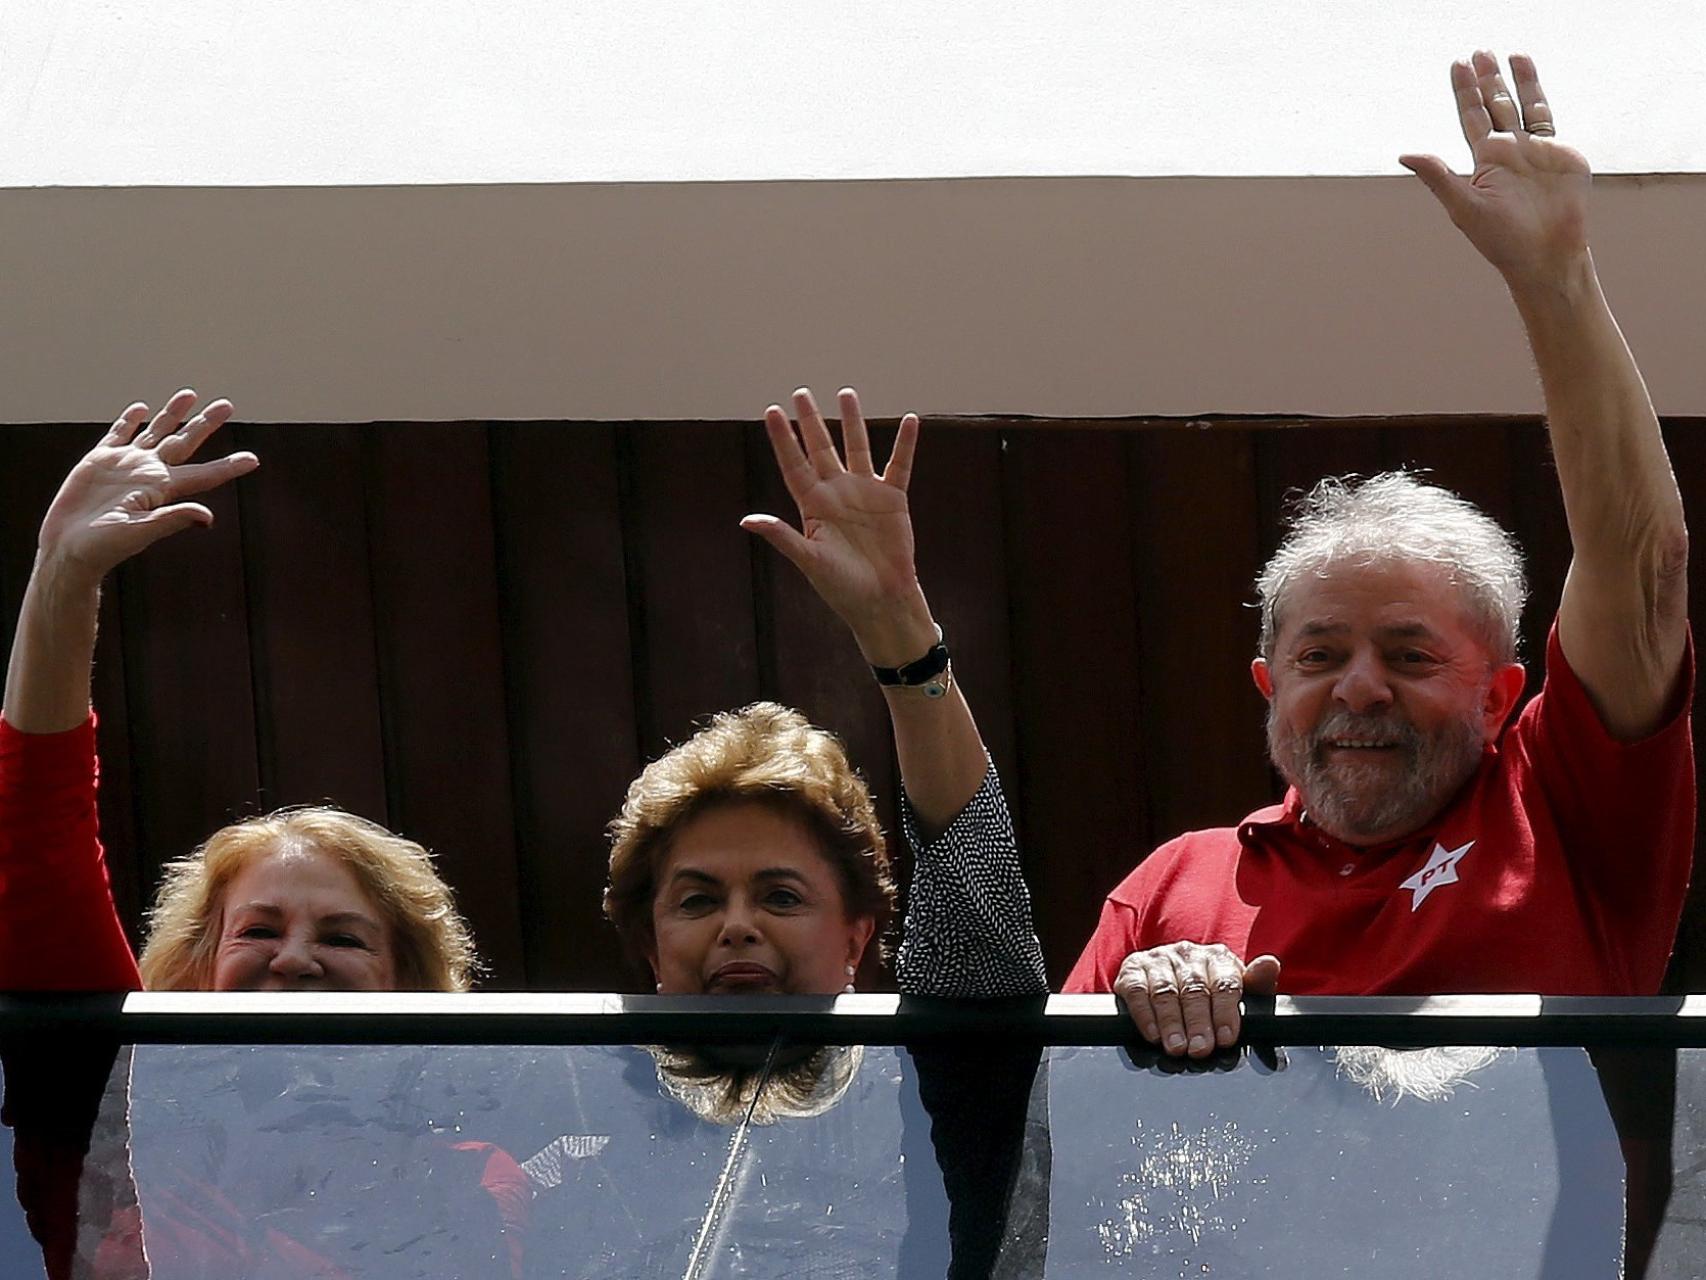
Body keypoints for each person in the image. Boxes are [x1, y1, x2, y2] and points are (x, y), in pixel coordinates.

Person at [1062, 53, 1693, 1058]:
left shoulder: (1560, 809)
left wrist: (1553, 278)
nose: (1358, 688)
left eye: (1406, 653)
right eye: (1319, 655)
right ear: (1269, 686)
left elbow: (1640, 564)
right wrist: (1137, 1007)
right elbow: (1048, 1163)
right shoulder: (1172, 886)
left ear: (1498, 695)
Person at [0, 391, 521, 1278]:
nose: (295, 958)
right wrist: (62, 576)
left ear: (407, 985)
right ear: (198, 967)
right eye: (260, 930)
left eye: (345, 936)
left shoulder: (471, 1180)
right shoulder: (118, 1121)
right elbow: (38, 838)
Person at [605, 385, 1047, 1007]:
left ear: (854, 940)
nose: (736, 927)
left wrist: (899, 630)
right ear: (652, 944)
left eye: (781, 896)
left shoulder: (927, 1089)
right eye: (698, 900)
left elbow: (967, 863)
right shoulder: (577, 1105)